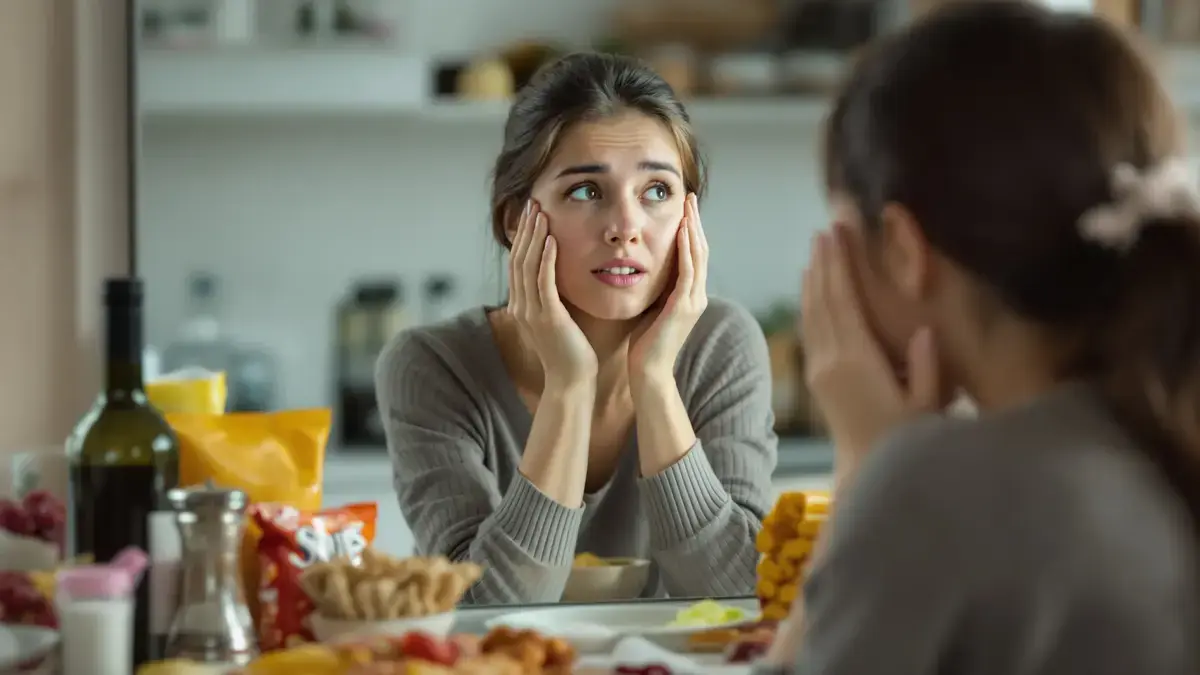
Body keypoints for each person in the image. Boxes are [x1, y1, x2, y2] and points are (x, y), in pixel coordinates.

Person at [761, 2, 1200, 674]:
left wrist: (865, 466)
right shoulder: (1163, 432)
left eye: (840, 235)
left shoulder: (936, 487)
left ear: (907, 250)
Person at [376, 52, 778, 605]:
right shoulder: (431, 366)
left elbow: (738, 595)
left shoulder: (722, 345)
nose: (625, 228)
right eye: (586, 191)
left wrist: (656, 380)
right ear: (518, 219)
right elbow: (483, 613)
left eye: (656, 191)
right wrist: (569, 385)